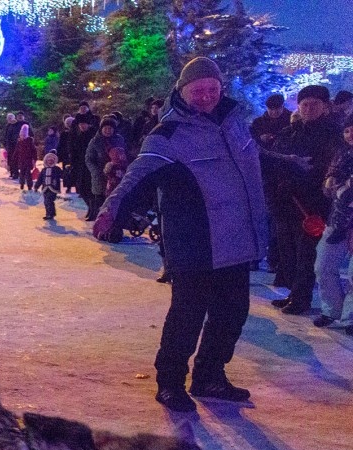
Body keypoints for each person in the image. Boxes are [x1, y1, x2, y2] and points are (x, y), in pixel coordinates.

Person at [93, 57, 268, 413]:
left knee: (232, 313)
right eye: (198, 90)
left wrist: (295, 167)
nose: (206, 96)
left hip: (235, 240)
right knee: (187, 316)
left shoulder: (234, 124)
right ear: (182, 92)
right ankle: (170, 382)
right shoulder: (168, 134)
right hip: (194, 242)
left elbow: (257, 161)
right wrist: (112, 209)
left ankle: (210, 375)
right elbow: (137, 174)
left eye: (212, 89)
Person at [266, 85, 344, 316]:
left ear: (325, 107)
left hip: (311, 205)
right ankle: (293, 292)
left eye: (315, 104)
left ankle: (301, 297)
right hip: (285, 202)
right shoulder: (290, 131)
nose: (309, 109)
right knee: (287, 252)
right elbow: (276, 159)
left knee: (305, 254)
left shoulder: (332, 134)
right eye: (305, 104)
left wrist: (300, 180)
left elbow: (326, 167)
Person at [313, 117, 353, 335]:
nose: (350, 135)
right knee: (323, 265)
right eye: (347, 131)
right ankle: (331, 310)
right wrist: (331, 181)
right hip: (337, 221)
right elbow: (330, 192)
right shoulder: (341, 157)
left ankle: (350, 318)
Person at [85, 116, 127, 220]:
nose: (108, 130)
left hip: (116, 176)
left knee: (114, 198)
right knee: (100, 199)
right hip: (100, 176)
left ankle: (113, 221)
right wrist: (96, 172)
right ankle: (100, 222)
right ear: (101, 129)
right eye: (106, 128)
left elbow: (124, 155)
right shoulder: (95, 141)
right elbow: (89, 159)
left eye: (110, 128)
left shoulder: (119, 139)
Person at [34, 151, 62, 220]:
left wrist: (67, 173)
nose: (50, 162)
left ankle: (50, 214)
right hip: (45, 188)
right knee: (46, 201)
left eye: (52, 160)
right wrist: (36, 186)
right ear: (46, 161)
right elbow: (40, 179)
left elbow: (63, 175)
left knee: (49, 201)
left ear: (54, 161)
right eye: (49, 160)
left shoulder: (57, 169)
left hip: (53, 188)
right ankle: (49, 213)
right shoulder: (44, 170)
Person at [16, 124, 37, 190]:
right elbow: (16, 151)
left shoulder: (29, 141)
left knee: (28, 174)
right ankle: (22, 185)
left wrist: (34, 159)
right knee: (22, 173)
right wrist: (13, 160)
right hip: (22, 160)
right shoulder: (19, 142)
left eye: (24, 135)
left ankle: (29, 186)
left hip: (28, 160)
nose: (22, 136)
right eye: (21, 135)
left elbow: (34, 151)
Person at [3, 113, 21, 179]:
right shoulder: (8, 126)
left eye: (10, 118)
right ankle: (12, 172)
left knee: (15, 159)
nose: (9, 119)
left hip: (15, 145)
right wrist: (5, 143)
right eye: (8, 118)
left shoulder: (17, 125)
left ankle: (15, 173)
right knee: (10, 159)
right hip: (9, 145)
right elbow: (5, 135)